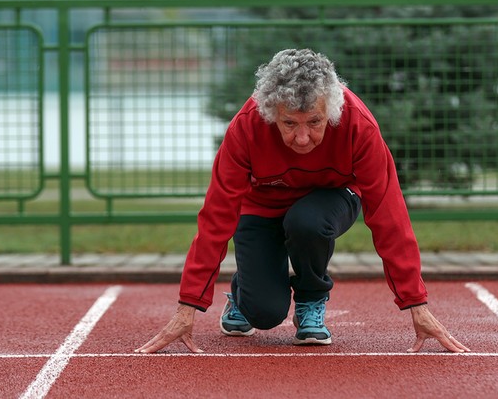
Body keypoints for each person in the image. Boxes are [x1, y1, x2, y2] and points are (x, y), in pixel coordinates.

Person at [136, 48, 469, 354]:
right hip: (262, 205)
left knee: (306, 221)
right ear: (270, 113)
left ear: (332, 110)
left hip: (330, 199)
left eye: (315, 122)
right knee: (264, 314)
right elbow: (216, 218)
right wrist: (188, 306)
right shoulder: (246, 127)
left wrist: (416, 303)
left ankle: (311, 299)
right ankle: (242, 296)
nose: (303, 137)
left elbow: (389, 216)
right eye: (289, 123)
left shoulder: (358, 125)